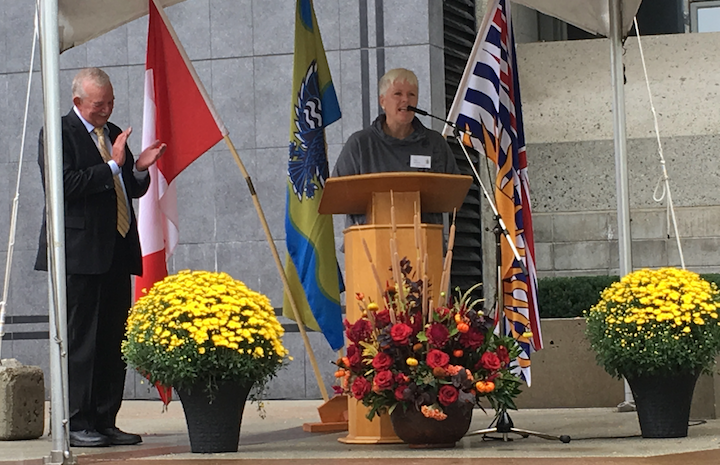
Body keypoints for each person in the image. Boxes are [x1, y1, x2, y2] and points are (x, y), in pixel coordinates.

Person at [35, 67, 166, 448]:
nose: (106, 110)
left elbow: (126, 187)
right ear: (78, 102)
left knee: (112, 341)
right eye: (98, 104)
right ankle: (77, 421)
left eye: (110, 103)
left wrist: (138, 169)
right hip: (79, 255)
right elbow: (64, 186)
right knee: (82, 342)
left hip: (115, 250)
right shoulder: (59, 132)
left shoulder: (111, 133)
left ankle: (106, 419)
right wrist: (112, 165)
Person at [332, 68, 461, 226]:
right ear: (382, 101)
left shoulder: (435, 143)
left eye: (411, 95)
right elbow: (336, 196)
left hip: (425, 242)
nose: (405, 100)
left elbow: (455, 194)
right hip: (370, 244)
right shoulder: (360, 143)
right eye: (398, 94)